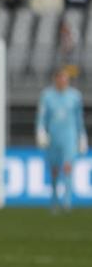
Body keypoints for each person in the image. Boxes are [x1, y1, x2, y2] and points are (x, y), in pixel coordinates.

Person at [36, 65, 87, 212]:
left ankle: (67, 202)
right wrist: (40, 131)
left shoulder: (75, 96)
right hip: (53, 136)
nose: (63, 80)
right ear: (55, 79)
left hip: (69, 136)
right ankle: (54, 200)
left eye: (65, 78)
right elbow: (42, 116)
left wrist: (82, 136)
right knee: (54, 170)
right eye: (60, 77)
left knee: (68, 167)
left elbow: (79, 119)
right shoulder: (47, 96)